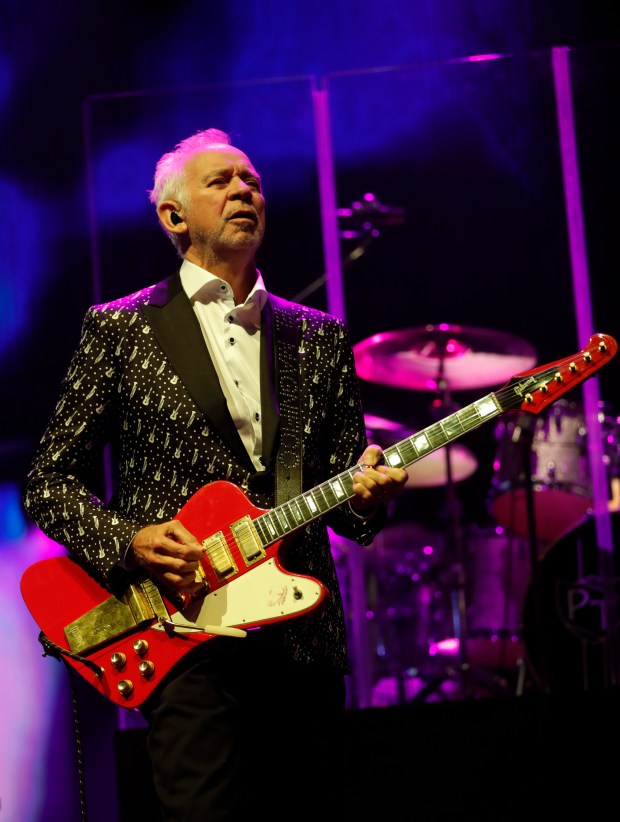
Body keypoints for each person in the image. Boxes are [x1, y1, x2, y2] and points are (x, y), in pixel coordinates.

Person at [22, 127, 408, 820]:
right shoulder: (120, 329)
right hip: (184, 634)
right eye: (220, 181)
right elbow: (49, 482)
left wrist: (375, 490)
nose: (243, 191)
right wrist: (130, 542)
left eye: (251, 182)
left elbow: (350, 509)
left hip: (302, 638)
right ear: (173, 217)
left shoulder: (318, 337)